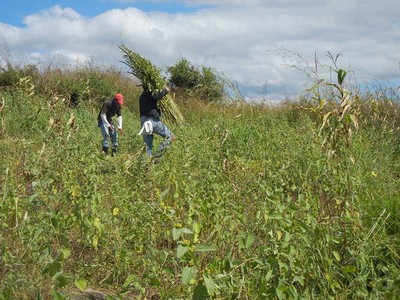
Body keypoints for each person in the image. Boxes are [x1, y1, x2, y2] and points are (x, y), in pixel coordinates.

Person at [138, 84, 174, 158]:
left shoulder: (142, 96)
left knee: (147, 146)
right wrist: (166, 90)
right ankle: (156, 157)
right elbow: (156, 96)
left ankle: (146, 165)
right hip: (152, 121)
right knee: (170, 137)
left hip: (144, 121)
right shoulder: (149, 92)